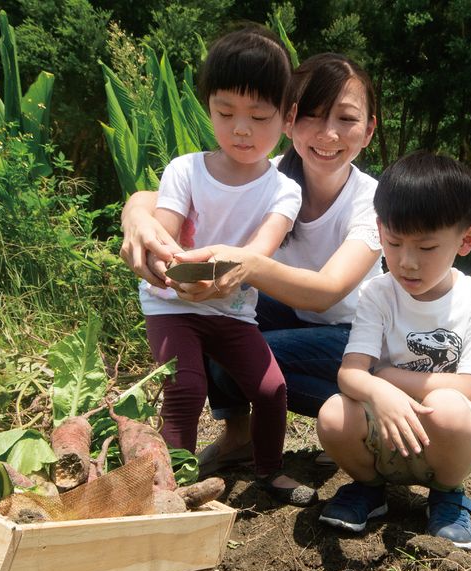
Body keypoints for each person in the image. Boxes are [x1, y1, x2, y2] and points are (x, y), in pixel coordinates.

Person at [121, 51, 381, 479]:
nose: (328, 133)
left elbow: (327, 291)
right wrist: (136, 213)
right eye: (313, 115)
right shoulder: (270, 173)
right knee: (216, 323)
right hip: (286, 312)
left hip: (350, 335)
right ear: (290, 120)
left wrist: (245, 264)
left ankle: (360, 412)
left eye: (347, 119)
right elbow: (179, 189)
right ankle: (238, 439)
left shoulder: (372, 202)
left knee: (238, 352)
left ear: (368, 131)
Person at [139, 26, 315, 505]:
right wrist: (163, 260)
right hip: (173, 306)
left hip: (233, 310)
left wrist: (226, 274)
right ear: (208, 106)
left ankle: (270, 471)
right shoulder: (185, 170)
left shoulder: (284, 189)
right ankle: (169, 486)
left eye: (259, 116)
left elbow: (259, 252)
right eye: (225, 112)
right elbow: (163, 233)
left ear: (287, 117)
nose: (241, 128)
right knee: (186, 386)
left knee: (272, 387)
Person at [316, 151, 471, 549]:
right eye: (394, 242)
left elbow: (468, 387)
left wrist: (385, 378)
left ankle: (449, 495)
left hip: (445, 441)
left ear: (466, 240)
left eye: (427, 247)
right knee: (333, 414)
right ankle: (369, 488)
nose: (406, 262)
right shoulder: (377, 293)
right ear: (380, 229)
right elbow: (350, 373)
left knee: (448, 406)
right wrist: (377, 391)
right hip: (383, 433)